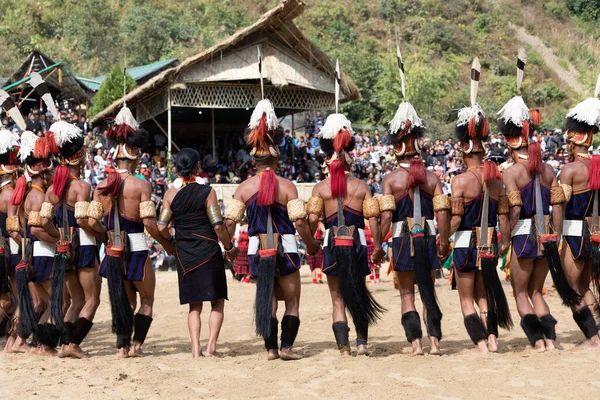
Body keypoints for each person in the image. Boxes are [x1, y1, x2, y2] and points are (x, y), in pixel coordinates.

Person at [224, 99, 320, 361]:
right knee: (292, 302)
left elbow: (228, 225)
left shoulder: (243, 188)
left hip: (257, 249)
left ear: (253, 160)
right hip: (287, 247)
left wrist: (229, 247)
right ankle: (287, 347)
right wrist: (311, 245)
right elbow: (300, 223)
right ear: (276, 157)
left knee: (269, 300)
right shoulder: (288, 186)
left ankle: (271, 349)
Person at [89, 104, 175, 357]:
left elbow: (92, 222)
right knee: (146, 300)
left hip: (112, 248)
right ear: (135, 155)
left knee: (125, 301)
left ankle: (122, 347)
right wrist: (165, 242)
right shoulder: (141, 185)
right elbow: (149, 223)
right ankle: (136, 345)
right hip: (137, 245)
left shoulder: (100, 186)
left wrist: (106, 235)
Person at [499, 71, 574, 351]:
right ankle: (551, 341)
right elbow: (558, 205)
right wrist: (554, 235)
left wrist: (507, 239)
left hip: (523, 236)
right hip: (547, 236)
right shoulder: (548, 169)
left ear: (509, 140)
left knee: (520, 292)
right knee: (536, 291)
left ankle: (537, 341)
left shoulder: (512, 173)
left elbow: (515, 211)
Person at [377, 99, 451, 356]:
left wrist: (378, 243)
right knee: (428, 292)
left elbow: (386, 217)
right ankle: (434, 344)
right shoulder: (433, 178)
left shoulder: (390, 179)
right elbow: (442, 213)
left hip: (400, 241)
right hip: (428, 239)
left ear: (397, 147)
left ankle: (416, 345)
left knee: (407, 294)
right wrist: (443, 241)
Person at [308, 113, 385, 357]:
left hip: (332, 244)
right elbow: (373, 220)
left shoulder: (320, 189)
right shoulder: (363, 187)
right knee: (358, 292)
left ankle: (344, 349)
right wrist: (379, 246)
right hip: (358, 244)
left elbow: (311, 222)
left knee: (337, 300)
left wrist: (310, 242)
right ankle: (362, 343)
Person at [449, 60, 513, 353]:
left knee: (466, 299)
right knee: (485, 295)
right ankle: (493, 339)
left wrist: (442, 240)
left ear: (463, 148)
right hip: (489, 243)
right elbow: (503, 219)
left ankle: (480, 344)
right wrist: (504, 244)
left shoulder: (459, 182)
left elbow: (455, 220)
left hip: (464, 243)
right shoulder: (496, 181)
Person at [159, 148, 238, 358]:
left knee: (194, 306)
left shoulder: (170, 194)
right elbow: (219, 226)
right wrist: (229, 248)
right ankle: (211, 347)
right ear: (197, 167)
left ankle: (195, 349)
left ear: (176, 169)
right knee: (217, 300)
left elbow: (160, 227)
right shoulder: (208, 192)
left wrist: (171, 243)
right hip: (209, 252)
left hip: (185, 254)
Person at [40, 120, 102, 358]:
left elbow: (43, 221)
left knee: (75, 300)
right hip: (84, 246)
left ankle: (66, 343)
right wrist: (104, 233)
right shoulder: (82, 187)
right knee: (91, 300)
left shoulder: (51, 190)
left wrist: (59, 237)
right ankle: (72, 344)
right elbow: (85, 221)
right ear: (80, 157)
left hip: (63, 248)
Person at [10, 131, 59, 356]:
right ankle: (43, 344)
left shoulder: (28, 195)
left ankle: (21, 341)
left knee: (39, 303)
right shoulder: (38, 197)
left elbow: (19, 229)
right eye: (48, 172)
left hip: (29, 252)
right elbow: (37, 229)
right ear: (43, 174)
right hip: (42, 253)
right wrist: (58, 239)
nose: (50, 176)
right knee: (57, 302)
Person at [558, 89, 600, 347]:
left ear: (573, 142)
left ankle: (593, 337)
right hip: (596, 231)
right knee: (585, 285)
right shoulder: (596, 166)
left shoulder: (569, 170)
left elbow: (560, 206)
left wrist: (553, 234)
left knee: (572, 289)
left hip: (573, 233)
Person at [0, 127, 21, 352]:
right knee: (16, 296)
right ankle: (14, 340)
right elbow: (13, 227)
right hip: (9, 248)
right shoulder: (9, 195)